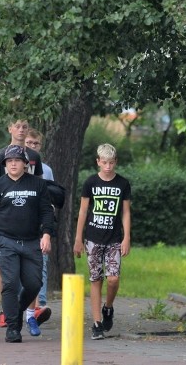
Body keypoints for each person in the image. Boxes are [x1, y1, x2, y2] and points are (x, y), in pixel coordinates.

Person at [0, 145, 54, 344]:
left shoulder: (38, 184)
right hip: (5, 241)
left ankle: (16, 309)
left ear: (25, 164)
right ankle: (13, 327)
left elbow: (47, 211)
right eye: (9, 161)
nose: (13, 163)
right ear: (4, 165)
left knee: (34, 284)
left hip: (31, 241)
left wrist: (46, 234)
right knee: (10, 283)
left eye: (17, 160)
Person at [73, 143, 132, 341]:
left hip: (114, 238)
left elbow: (125, 212)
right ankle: (97, 323)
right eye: (104, 162)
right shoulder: (90, 182)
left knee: (113, 278)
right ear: (98, 162)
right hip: (93, 238)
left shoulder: (122, 184)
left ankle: (108, 308)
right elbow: (83, 211)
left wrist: (126, 237)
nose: (108, 166)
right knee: (95, 278)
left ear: (116, 162)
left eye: (111, 162)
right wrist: (78, 238)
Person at [24, 128, 54, 325]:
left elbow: (49, 195)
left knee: (41, 263)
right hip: (20, 223)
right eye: (29, 143)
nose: (32, 147)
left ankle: (40, 303)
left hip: (39, 223)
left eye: (36, 144)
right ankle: (24, 305)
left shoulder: (46, 170)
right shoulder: (15, 165)